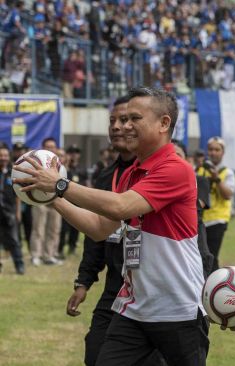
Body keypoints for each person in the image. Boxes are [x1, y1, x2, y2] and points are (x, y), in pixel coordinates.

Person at [16, 87, 208, 365]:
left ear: (164, 123)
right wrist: (48, 196)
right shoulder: (131, 173)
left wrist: (59, 185)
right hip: (134, 309)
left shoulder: (176, 168)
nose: (125, 126)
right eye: (123, 118)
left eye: (135, 119)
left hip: (178, 311)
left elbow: (121, 206)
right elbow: (98, 228)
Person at [65, 96, 142, 366]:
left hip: (153, 291)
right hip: (116, 287)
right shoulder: (104, 177)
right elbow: (97, 234)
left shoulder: (159, 173)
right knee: (95, 353)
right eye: (113, 121)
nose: (118, 127)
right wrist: (83, 282)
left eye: (127, 120)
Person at [171, 139, 215, 279]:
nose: (173, 159)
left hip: (194, 237)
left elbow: (199, 205)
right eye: (169, 155)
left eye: (178, 155)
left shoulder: (199, 180)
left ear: (187, 159)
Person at [195, 137, 235, 271]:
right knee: (199, 256)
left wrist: (217, 179)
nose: (213, 153)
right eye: (211, 149)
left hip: (218, 220)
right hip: (200, 220)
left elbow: (228, 194)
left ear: (222, 152)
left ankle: (213, 285)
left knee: (211, 256)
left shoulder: (227, 172)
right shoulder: (200, 170)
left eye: (217, 150)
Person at [29, 137, 63, 266]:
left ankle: (49, 255)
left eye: (52, 146)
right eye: (48, 146)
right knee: (38, 229)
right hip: (39, 200)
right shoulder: (36, 162)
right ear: (43, 148)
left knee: (54, 229)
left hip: (56, 200)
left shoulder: (60, 164)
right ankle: (35, 255)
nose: (50, 149)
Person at [0, 144, 25, 274]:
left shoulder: (13, 172)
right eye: (1, 155)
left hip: (9, 212)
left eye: (5, 155)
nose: (3, 158)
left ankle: (19, 265)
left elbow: (18, 195)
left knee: (14, 240)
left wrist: (18, 212)